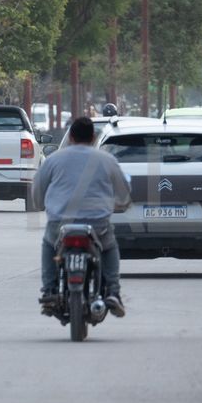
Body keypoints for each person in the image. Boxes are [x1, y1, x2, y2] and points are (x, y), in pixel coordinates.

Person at [31, 116, 132, 317]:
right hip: (97, 224)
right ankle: (113, 292)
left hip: (60, 224)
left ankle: (49, 291)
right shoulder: (107, 160)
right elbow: (123, 193)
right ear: (93, 137)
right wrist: (122, 203)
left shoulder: (53, 159)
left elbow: (37, 191)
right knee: (109, 246)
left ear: (71, 136)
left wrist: (40, 204)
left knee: (49, 245)